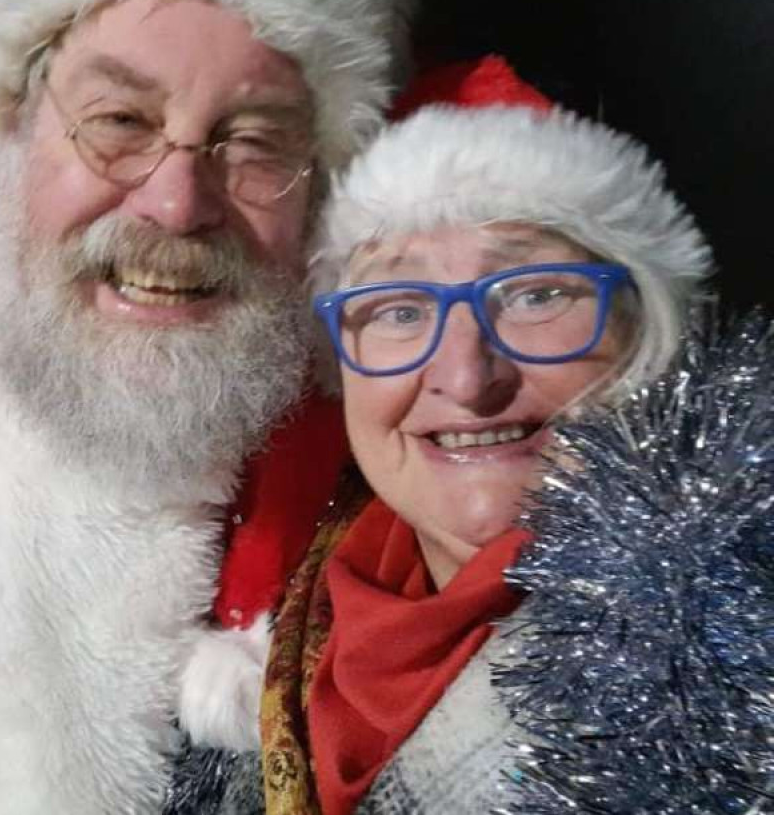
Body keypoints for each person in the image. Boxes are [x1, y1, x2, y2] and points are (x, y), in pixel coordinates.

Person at [0, 0, 419, 813]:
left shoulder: (400, 433)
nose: (177, 203)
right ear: (17, 125)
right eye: (120, 122)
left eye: (256, 143)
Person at [255, 57, 718, 814]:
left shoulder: (733, 655)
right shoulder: (265, 631)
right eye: (400, 309)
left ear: (646, 336)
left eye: (535, 294)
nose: (468, 378)